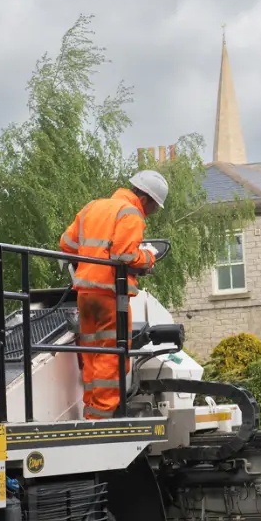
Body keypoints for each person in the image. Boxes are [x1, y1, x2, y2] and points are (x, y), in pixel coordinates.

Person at [59, 170, 167, 419]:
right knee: (111, 357)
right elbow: (124, 255)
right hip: (110, 294)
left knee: (91, 353)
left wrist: (93, 257)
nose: (150, 213)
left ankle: (91, 411)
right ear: (145, 198)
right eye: (153, 208)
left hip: (85, 294)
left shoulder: (92, 207)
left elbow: (67, 244)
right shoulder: (131, 213)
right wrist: (148, 258)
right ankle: (101, 417)